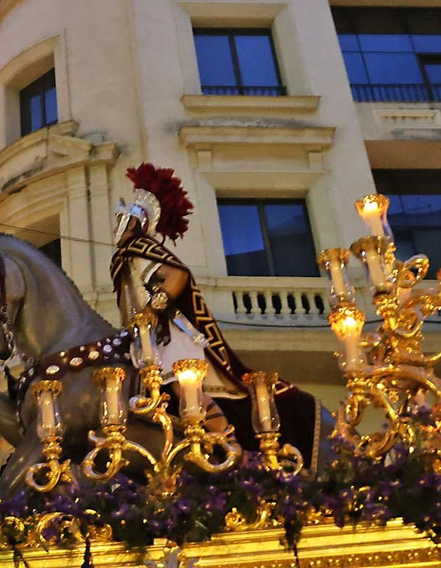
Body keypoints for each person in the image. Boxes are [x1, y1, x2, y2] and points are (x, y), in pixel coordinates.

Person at [109, 163, 325, 466]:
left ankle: (228, 441)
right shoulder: (128, 255)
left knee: (185, 389)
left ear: (135, 222)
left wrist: (151, 309)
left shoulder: (141, 248)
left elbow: (176, 276)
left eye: (122, 218)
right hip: (147, 338)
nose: (116, 224)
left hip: (170, 335)